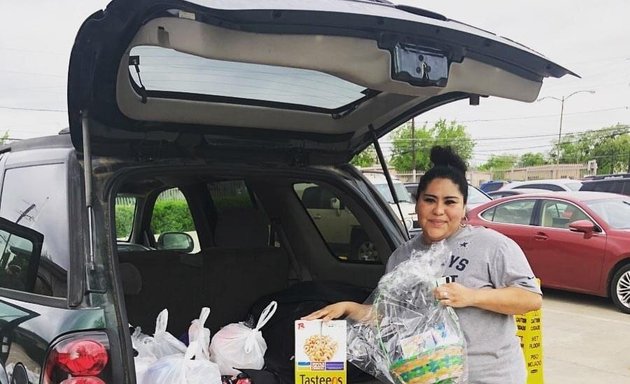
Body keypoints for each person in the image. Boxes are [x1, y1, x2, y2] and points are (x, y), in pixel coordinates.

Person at [303, 145, 542, 384]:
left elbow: (530, 299)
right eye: (430, 200)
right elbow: (389, 317)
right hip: (423, 376)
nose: (439, 211)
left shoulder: (493, 245)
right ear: (417, 202)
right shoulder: (403, 256)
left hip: (488, 378)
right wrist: (349, 308)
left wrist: (471, 297)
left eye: (450, 202)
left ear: (463, 207)